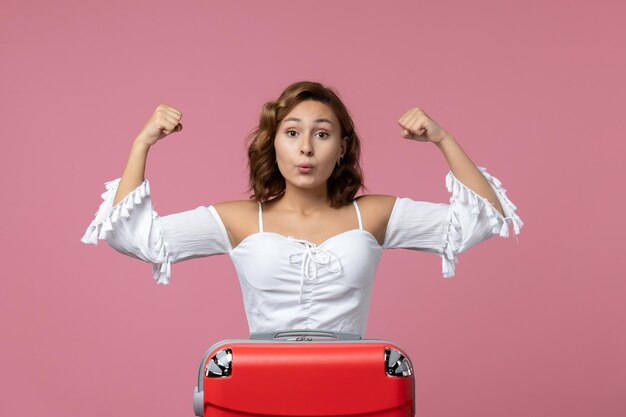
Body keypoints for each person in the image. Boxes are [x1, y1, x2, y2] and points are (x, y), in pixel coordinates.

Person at [81, 81, 523, 337]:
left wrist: (443, 140)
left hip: (355, 390)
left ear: (343, 146)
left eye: (322, 133)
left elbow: (480, 220)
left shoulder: (372, 215)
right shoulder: (239, 219)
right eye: (291, 133)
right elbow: (135, 239)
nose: (306, 148)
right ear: (273, 144)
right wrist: (142, 144)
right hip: (260, 389)